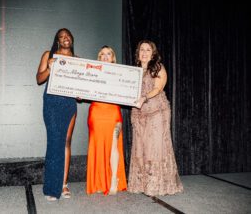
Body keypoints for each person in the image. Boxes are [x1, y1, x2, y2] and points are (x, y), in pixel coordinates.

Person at [127, 40, 183, 196]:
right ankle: (141, 184)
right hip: (139, 112)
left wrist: (144, 97)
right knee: (140, 147)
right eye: (141, 50)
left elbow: (158, 88)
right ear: (138, 53)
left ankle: (158, 184)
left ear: (153, 53)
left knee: (155, 148)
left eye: (148, 50)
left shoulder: (158, 67)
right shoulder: (133, 71)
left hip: (157, 111)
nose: (144, 53)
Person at [36, 28, 77, 201]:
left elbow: (80, 89)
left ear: (71, 39)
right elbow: (39, 79)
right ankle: (51, 187)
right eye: (61, 37)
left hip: (69, 103)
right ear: (57, 41)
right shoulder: (49, 55)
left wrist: (82, 92)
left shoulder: (77, 60)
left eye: (67, 35)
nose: (65, 38)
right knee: (54, 142)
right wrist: (50, 68)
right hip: (52, 102)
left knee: (66, 142)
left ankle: (63, 184)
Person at [86, 46, 127, 195]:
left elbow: (127, 91)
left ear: (113, 58)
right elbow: (84, 90)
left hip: (113, 112)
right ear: (99, 58)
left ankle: (113, 180)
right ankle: (99, 181)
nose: (105, 56)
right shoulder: (92, 73)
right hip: (96, 112)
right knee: (97, 146)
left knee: (113, 145)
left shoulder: (122, 74)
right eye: (102, 54)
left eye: (108, 54)